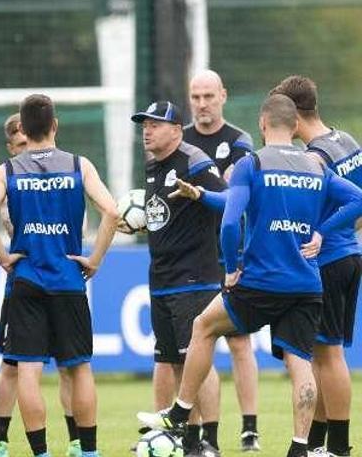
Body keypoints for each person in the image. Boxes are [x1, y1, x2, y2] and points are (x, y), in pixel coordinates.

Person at [138, 93, 362, 457]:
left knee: (204, 326)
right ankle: (301, 446)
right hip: (306, 284)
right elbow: (358, 198)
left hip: (260, 282)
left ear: (262, 124)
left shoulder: (252, 164)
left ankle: (179, 413)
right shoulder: (315, 166)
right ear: (294, 126)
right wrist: (322, 230)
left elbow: (230, 222)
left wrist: (230, 269)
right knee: (300, 361)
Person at [0, 94, 119, 457]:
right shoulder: (78, 165)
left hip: (26, 280)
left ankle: (40, 452)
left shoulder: (6, 171)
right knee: (79, 368)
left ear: (22, 128)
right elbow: (112, 212)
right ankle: (88, 451)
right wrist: (96, 258)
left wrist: (3, 257)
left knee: (27, 370)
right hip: (69, 280)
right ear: (55, 125)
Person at [123, 101, 224, 456]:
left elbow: (229, 199)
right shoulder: (153, 166)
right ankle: (189, 440)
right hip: (162, 279)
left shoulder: (194, 160)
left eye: (154, 124)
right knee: (178, 362)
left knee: (198, 359)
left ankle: (210, 440)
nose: (146, 130)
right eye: (144, 124)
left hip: (194, 277)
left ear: (177, 130)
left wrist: (200, 194)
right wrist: (134, 221)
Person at [272, 75, 362, 457]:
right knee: (327, 352)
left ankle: (339, 448)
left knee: (328, 355)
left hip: (327, 261)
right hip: (350, 255)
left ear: (292, 116)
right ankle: (319, 444)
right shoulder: (347, 141)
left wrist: (322, 233)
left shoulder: (315, 157)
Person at [0, 113, 80, 457]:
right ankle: (0, 440)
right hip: (24, 282)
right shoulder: (9, 178)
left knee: (68, 367)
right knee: (13, 366)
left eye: (29, 142)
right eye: (21, 145)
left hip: (57, 276)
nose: (29, 150)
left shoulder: (60, 172)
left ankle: (74, 441)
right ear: (12, 146)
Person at [183, 70, 260, 452]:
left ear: (223, 96)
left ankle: (249, 427)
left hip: (233, 253)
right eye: (196, 97)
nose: (202, 104)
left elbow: (234, 198)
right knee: (197, 342)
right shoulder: (178, 139)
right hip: (193, 256)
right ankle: (193, 433)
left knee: (240, 343)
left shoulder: (240, 142)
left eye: (208, 96)